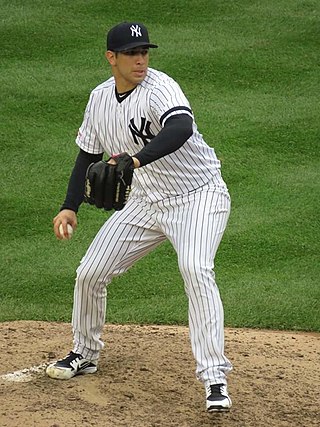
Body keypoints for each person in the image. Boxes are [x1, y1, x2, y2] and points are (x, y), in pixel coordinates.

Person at [46, 21, 233, 412]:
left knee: (197, 270)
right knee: (90, 272)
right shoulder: (99, 99)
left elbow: (180, 126)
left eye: (145, 52)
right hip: (147, 201)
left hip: (198, 196)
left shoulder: (160, 87)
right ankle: (85, 352)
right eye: (132, 53)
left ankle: (214, 378)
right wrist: (69, 205)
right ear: (111, 58)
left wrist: (134, 159)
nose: (141, 60)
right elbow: (87, 156)